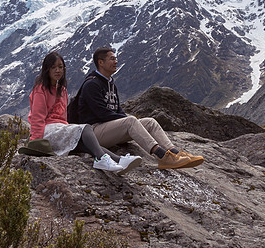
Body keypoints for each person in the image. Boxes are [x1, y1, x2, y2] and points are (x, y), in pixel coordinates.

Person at [73, 46, 204, 170]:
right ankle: (163, 156)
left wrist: (130, 122)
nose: (116, 61)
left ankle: (175, 153)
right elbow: (101, 113)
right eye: (112, 59)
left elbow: (117, 110)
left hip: (110, 129)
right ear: (100, 62)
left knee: (150, 122)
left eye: (115, 58)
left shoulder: (110, 83)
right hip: (94, 133)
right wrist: (129, 121)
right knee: (131, 121)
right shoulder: (91, 84)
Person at [28, 51, 142, 174]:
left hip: (60, 129)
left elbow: (63, 118)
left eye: (60, 67)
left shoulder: (63, 90)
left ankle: (119, 161)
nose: (57, 70)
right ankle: (101, 159)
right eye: (53, 67)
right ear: (47, 70)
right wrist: (35, 141)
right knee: (85, 128)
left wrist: (68, 130)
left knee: (88, 145)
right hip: (47, 131)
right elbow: (37, 117)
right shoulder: (41, 89)